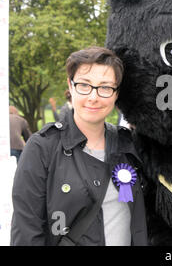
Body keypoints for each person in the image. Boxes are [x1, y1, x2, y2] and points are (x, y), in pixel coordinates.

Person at [11, 46, 147, 246]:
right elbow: (26, 232)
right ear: (70, 85)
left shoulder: (129, 145)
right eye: (84, 85)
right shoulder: (42, 147)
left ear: (116, 93)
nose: (94, 97)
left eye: (105, 87)